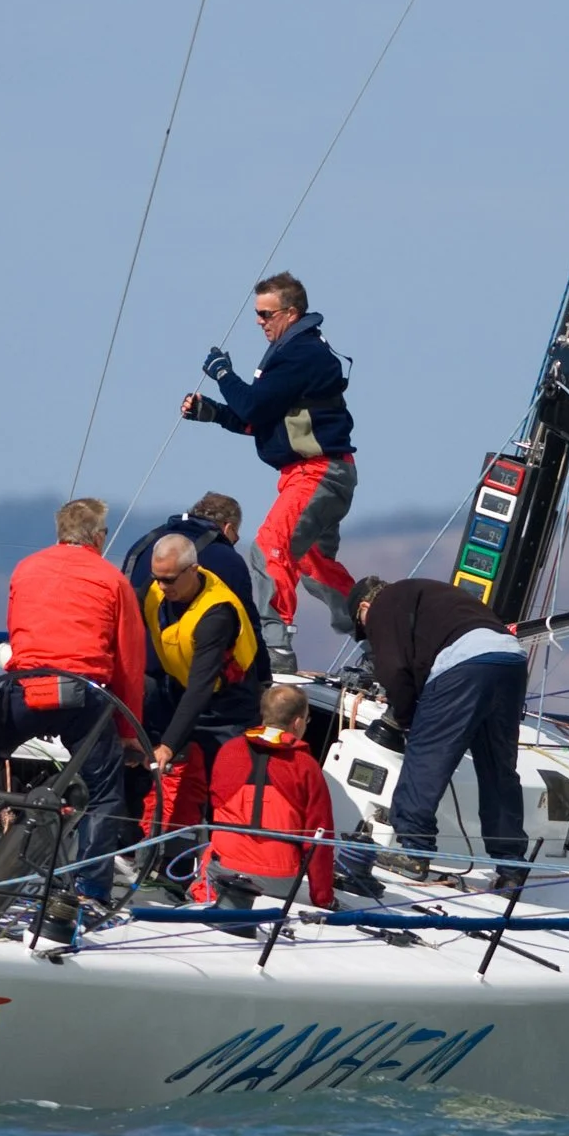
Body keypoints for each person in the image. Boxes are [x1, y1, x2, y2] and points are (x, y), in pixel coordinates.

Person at [0, 498, 147, 900]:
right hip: (83, 696)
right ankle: (92, 888)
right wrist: (126, 730)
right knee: (104, 792)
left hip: (25, 688)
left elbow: (18, 630)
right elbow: (129, 661)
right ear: (99, 536)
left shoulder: (26, 568)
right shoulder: (112, 580)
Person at [179, 273, 356, 671]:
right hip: (318, 474)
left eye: (265, 314)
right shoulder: (292, 354)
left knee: (270, 549)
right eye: (257, 315)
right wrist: (213, 413)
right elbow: (259, 419)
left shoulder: (301, 354)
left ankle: (274, 650)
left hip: (317, 473)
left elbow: (256, 407)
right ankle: (374, 628)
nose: (259, 322)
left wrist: (223, 374)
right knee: (312, 564)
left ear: (291, 313)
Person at [347, 574, 528, 895]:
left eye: (363, 627)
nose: (368, 634)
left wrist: (404, 719)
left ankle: (414, 853)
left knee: (427, 756)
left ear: (364, 607)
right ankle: (511, 867)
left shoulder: (383, 606)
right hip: (510, 659)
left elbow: (395, 671)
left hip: (464, 665)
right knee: (498, 769)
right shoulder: (429, 593)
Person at [139, 531, 269, 846]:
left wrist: (169, 744)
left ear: (192, 571)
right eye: (157, 578)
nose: (162, 587)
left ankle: (227, 857)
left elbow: (202, 685)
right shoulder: (154, 591)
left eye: (169, 579)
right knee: (171, 782)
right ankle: (159, 849)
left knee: (226, 788)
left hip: (229, 706)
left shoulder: (217, 612)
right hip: (180, 690)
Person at [199, 683, 336, 912]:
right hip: (278, 881)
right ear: (298, 722)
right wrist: (323, 898)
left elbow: (213, 805)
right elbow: (319, 839)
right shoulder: (306, 767)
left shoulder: (229, 751)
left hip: (223, 869)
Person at [119, 491, 260, 632]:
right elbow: (247, 626)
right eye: (235, 538)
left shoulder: (141, 545)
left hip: (131, 648)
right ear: (227, 528)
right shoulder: (228, 560)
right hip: (192, 650)